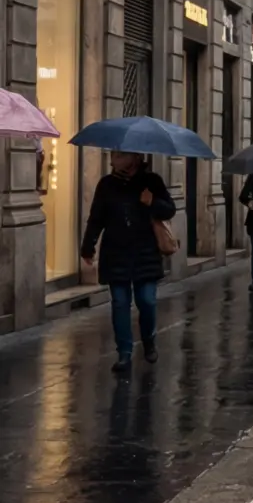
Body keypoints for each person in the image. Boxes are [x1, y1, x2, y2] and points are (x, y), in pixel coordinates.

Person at [80, 151, 175, 373]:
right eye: (113, 156)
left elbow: (170, 209)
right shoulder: (106, 184)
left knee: (147, 301)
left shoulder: (152, 181)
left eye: (119, 156)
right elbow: (96, 218)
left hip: (145, 252)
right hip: (116, 252)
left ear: (134, 158)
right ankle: (124, 353)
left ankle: (149, 340)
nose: (113, 160)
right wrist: (88, 246)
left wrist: (152, 202)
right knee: (120, 303)